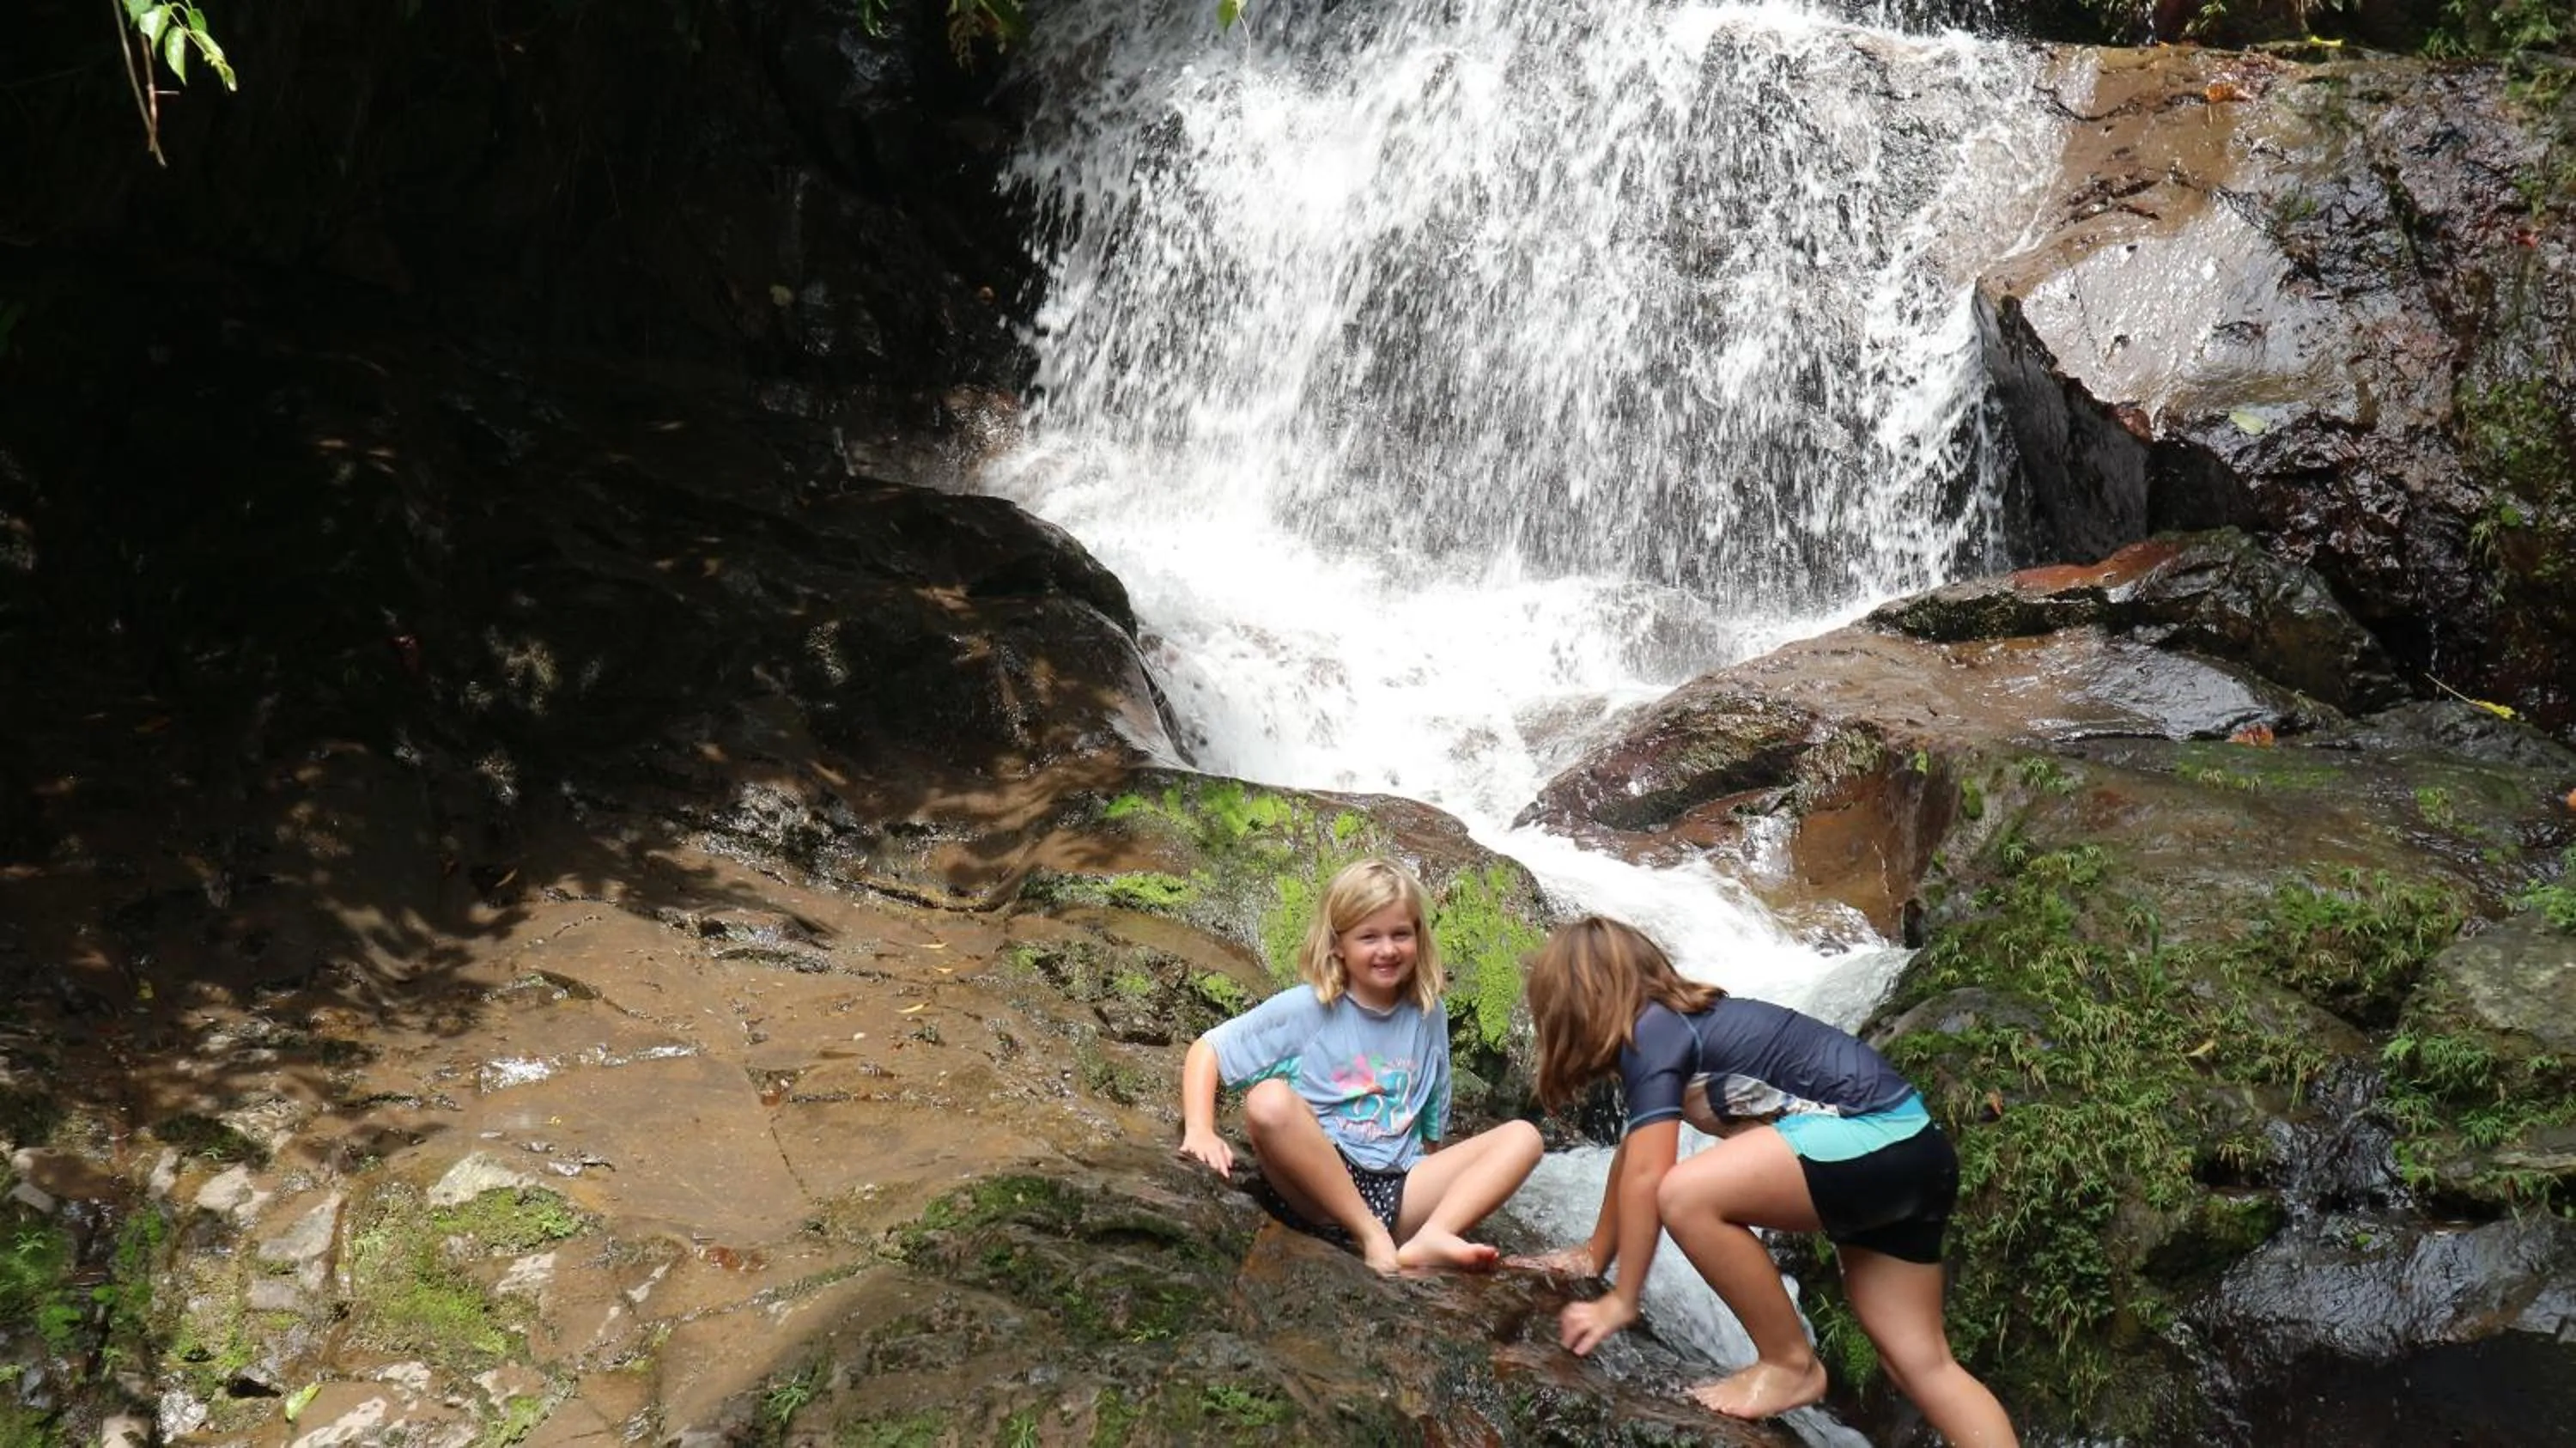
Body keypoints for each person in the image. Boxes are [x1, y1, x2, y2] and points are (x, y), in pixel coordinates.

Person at [1517, 915, 2017, 1446]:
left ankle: (1789, 1361)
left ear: (1574, 1005)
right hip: (1916, 1154)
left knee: (1685, 1194)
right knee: (1921, 1364)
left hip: (1874, 1139)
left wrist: (1622, 1298)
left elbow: (1649, 1175)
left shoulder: (1653, 1031)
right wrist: (1596, 1252)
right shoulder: (1682, 1027)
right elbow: (1634, 1156)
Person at [1176, 857, 1543, 1275]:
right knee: (1268, 1100)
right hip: (1318, 1186)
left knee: (1524, 1138)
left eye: (1400, 934)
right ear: (1338, 944)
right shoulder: (1309, 1007)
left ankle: (1433, 1236)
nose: (1387, 949)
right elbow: (1208, 1050)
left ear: (1419, 938)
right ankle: (1368, 1232)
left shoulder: (1428, 1012)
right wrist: (1200, 1129)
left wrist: (1435, 1171)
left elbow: (1433, 1108)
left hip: (1398, 1187)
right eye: (1369, 937)